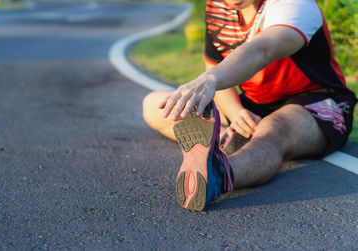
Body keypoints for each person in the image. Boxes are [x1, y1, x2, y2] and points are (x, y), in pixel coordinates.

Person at [142, 0, 357, 211]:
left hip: (317, 102)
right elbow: (219, 70)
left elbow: (262, 50)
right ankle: (230, 135)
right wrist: (236, 113)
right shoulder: (217, 7)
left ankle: (218, 173)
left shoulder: (295, 4)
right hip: (255, 106)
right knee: (155, 104)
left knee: (274, 128)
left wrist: (209, 79)